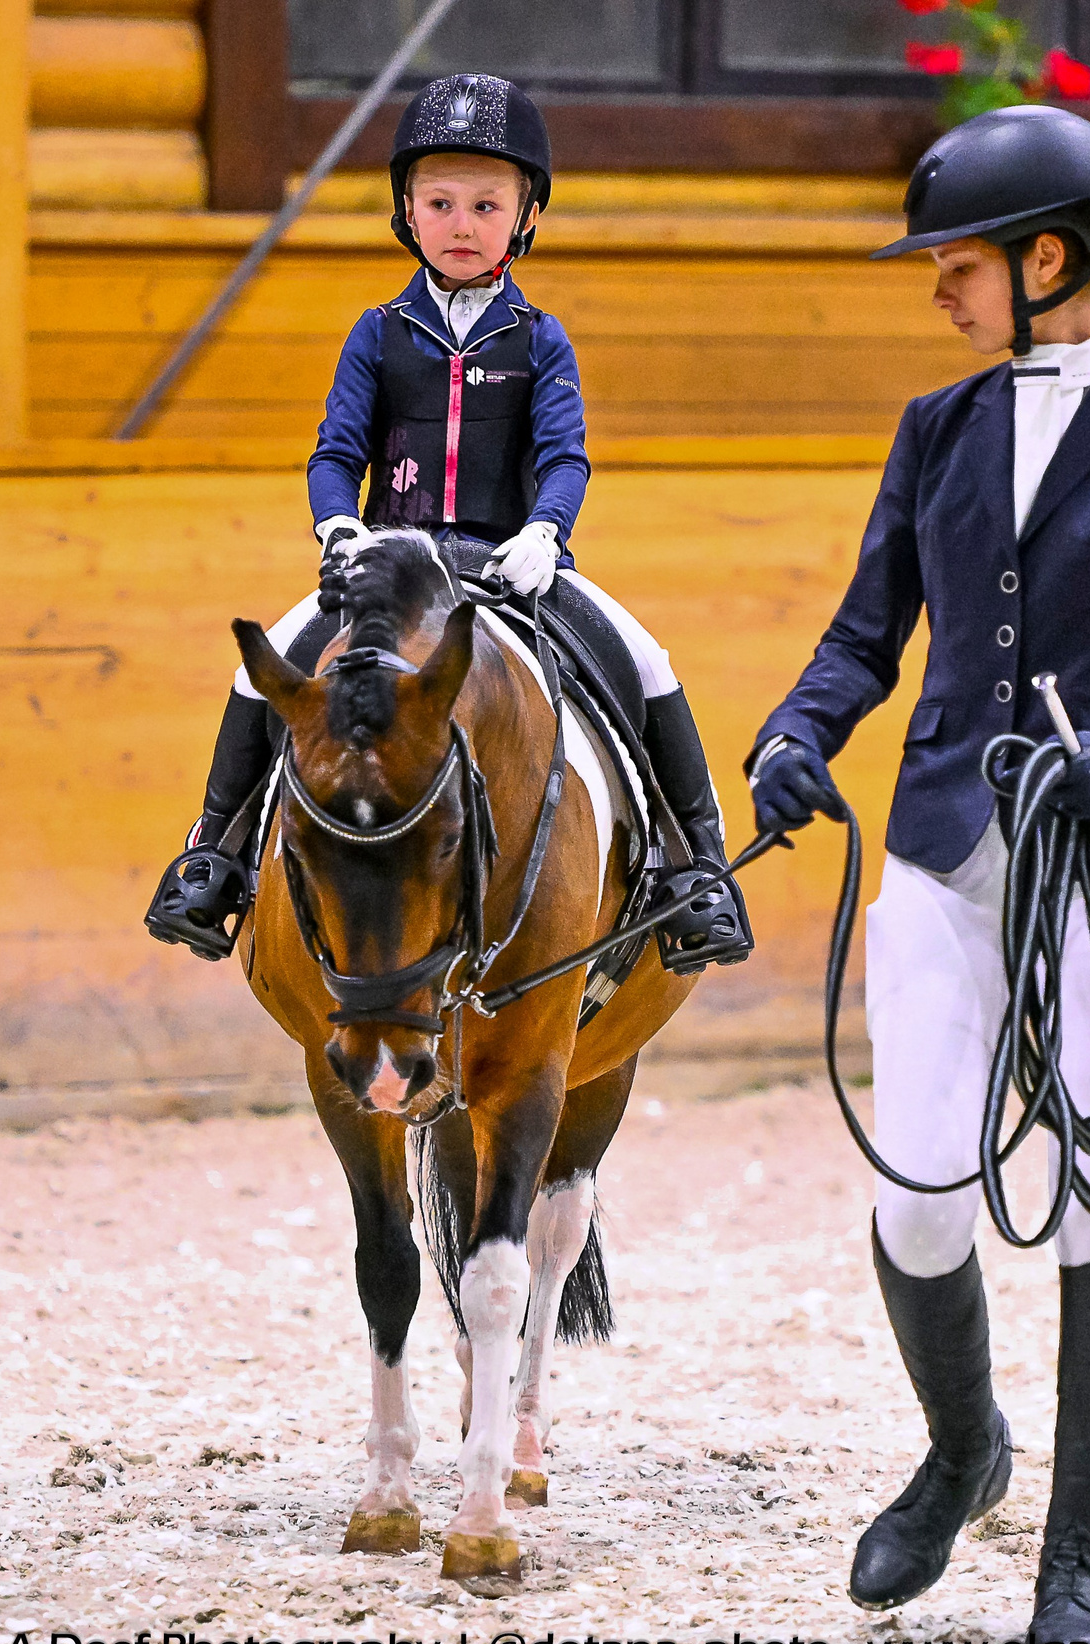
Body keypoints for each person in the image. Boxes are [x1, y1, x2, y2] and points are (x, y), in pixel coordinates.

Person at [746, 106, 1090, 1644]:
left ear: (1049, 259)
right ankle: (963, 1447)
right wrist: (796, 732)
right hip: (939, 854)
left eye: (956, 264)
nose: (937, 291)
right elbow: (865, 634)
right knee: (917, 1194)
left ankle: (1076, 1557)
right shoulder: (936, 427)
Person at [145, 73, 751, 975]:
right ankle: (214, 855)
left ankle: (695, 867)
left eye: (484, 205)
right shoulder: (378, 332)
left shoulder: (540, 339)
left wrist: (545, 532)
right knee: (269, 661)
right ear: (407, 211)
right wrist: (338, 531)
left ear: (523, 217)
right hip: (395, 563)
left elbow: (563, 459)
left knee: (647, 657)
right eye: (440, 203)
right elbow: (332, 454)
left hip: (515, 561)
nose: (461, 224)